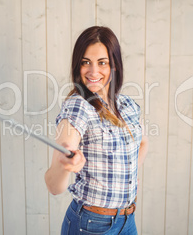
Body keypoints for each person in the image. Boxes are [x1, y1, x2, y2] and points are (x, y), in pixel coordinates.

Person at [45, 26, 149, 234]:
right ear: (78, 66)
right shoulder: (78, 106)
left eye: (102, 63)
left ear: (115, 66)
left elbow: (143, 142)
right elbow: (53, 186)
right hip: (92, 225)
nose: (93, 72)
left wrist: (129, 174)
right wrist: (65, 165)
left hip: (127, 221)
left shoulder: (126, 104)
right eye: (86, 62)